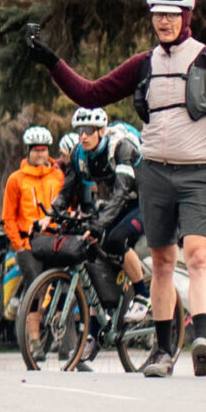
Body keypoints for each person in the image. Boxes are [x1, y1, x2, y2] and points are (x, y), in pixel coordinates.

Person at [29, 0, 206, 377]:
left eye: (171, 15)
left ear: (186, 16)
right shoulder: (144, 63)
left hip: (200, 172)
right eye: (157, 15)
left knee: (200, 256)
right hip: (155, 173)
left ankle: (202, 338)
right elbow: (91, 94)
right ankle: (163, 352)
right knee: (162, 262)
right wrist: (53, 63)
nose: (163, 22)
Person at [52, 107, 146, 286]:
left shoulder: (121, 147)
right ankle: (113, 297)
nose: (83, 136)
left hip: (147, 199)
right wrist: (50, 213)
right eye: (80, 131)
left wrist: (98, 224)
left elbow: (121, 193)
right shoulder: (78, 154)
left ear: (101, 131)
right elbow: (67, 190)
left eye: (88, 130)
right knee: (98, 243)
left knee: (116, 239)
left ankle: (143, 295)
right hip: (125, 202)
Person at [1, 126, 64, 347]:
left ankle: (66, 342)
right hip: (27, 243)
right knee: (36, 287)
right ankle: (35, 341)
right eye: (36, 150)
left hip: (54, 240)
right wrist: (18, 245)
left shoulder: (58, 176)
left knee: (62, 287)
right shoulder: (16, 179)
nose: (40, 154)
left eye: (44, 150)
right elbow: (8, 216)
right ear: (28, 151)